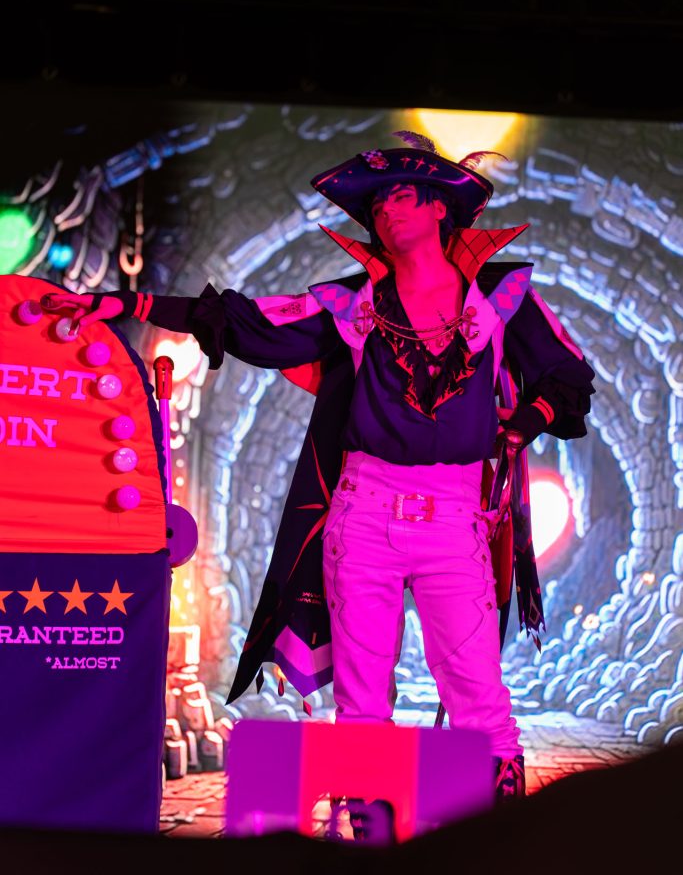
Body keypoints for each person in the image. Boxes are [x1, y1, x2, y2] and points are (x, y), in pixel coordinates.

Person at [47, 131, 595, 800]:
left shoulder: (501, 297)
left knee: (479, 701)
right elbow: (249, 322)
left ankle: (500, 839)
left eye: (401, 194)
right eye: (376, 204)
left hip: (455, 520)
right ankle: (368, 837)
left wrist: (522, 423)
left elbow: (567, 376)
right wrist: (128, 304)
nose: (385, 209)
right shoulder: (351, 305)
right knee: (361, 707)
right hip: (364, 516)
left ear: (438, 207)